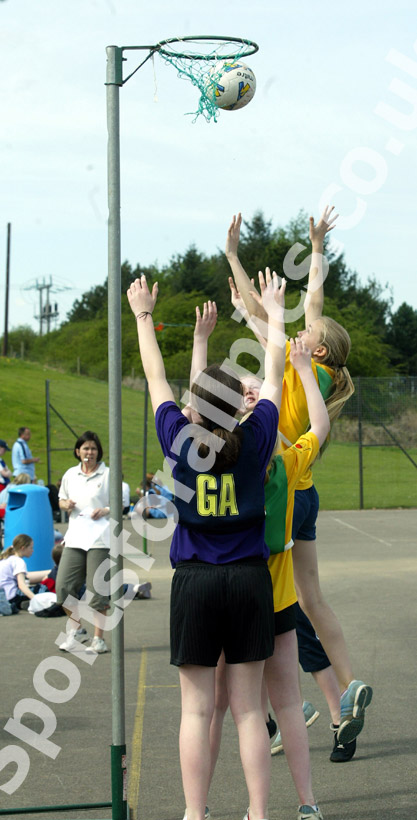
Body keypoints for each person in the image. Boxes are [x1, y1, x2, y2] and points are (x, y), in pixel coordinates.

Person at [127, 270, 286, 820]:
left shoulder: (178, 441)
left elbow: (154, 378)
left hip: (194, 581)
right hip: (248, 580)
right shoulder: (256, 438)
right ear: (237, 409)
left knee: (196, 712)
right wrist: (272, 313)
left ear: (194, 409)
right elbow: (273, 378)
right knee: (247, 712)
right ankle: (258, 813)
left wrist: (145, 316)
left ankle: (196, 814)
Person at [226, 207, 373, 748]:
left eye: (307, 331)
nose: (302, 326)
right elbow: (311, 301)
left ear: (317, 347)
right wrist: (315, 247)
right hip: (303, 492)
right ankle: (346, 684)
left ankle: (278, 711)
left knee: (267, 604)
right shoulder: (317, 369)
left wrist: (236, 258)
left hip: (280, 495)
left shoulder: (294, 364)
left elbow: (270, 316)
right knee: (309, 598)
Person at [190, 299, 327, 820]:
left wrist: (204, 345)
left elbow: (201, 400)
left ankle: (198, 808)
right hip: (267, 594)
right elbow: (316, 423)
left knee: (218, 707)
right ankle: (302, 803)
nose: (254, 393)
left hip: (231, 590)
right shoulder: (281, 459)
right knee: (276, 703)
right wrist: (300, 371)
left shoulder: (219, 454)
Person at [56, 430, 110, 655]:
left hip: (100, 537)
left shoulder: (108, 474)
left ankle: (98, 640)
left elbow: (121, 504)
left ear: (99, 452)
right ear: (78, 451)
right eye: (86, 448)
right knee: (63, 586)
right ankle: (77, 631)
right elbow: (60, 499)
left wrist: (105, 510)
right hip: (75, 537)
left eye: (93, 449)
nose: (89, 452)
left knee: (97, 590)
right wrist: (65, 504)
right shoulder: (70, 474)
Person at [0, 534, 50, 611]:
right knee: (43, 587)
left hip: (3, 596)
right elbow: (21, 585)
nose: (32, 550)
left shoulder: (6, 559)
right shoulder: (19, 561)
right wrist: (36, 599)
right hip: (12, 597)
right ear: (23, 548)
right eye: (31, 548)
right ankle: (27, 602)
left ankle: (24, 602)